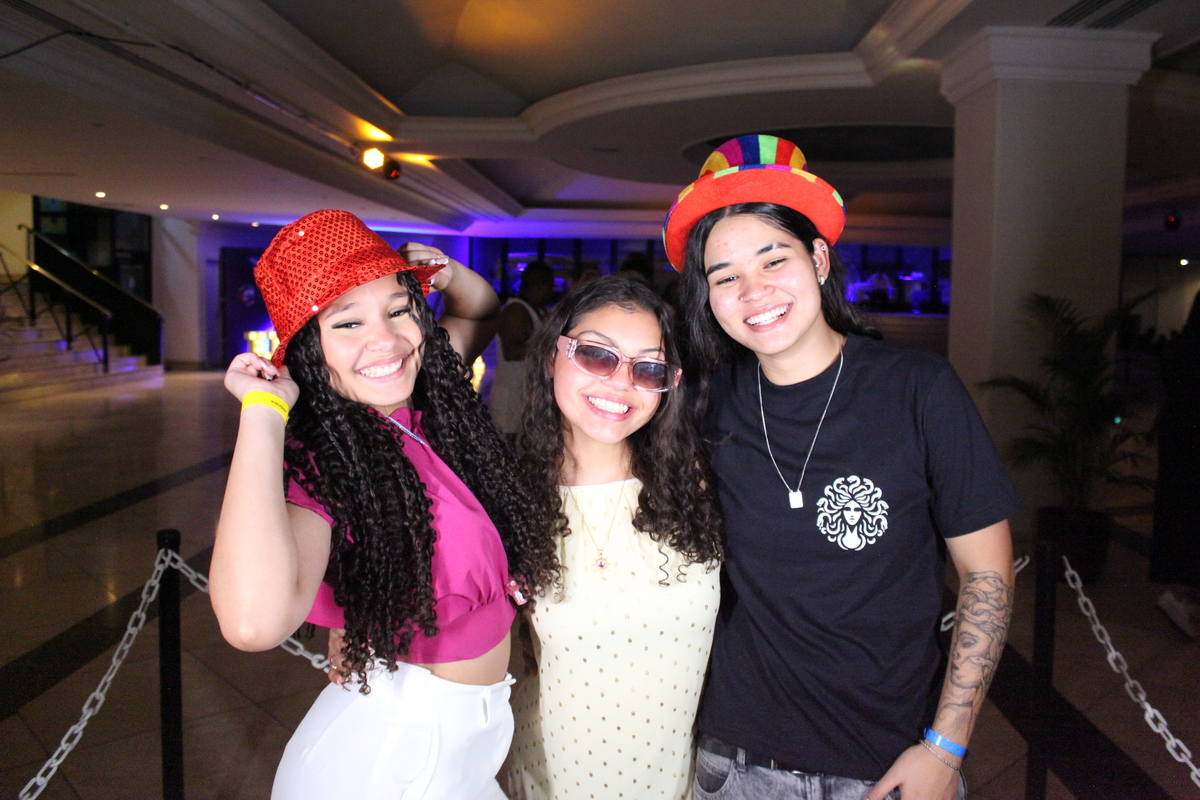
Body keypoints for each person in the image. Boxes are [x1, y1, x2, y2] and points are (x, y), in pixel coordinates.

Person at [665, 136, 1021, 800]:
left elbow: (987, 575)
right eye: (725, 277)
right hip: (734, 763)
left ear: (820, 259)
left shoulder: (917, 388)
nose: (754, 291)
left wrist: (946, 747)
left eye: (775, 259)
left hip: (888, 765)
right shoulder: (707, 403)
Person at [208, 210, 559, 800]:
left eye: (399, 310)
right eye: (348, 322)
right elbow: (252, 623)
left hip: (464, 748)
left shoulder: (424, 406)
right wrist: (265, 408)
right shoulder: (322, 463)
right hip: (391, 761)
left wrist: (444, 273)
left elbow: (481, 310)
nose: (386, 340)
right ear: (308, 349)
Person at [501, 276, 724, 800]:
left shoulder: (695, 480)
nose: (621, 382)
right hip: (552, 775)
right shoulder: (511, 496)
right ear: (553, 356)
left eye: (648, 369)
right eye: (597, 356)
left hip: (677, 781)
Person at [1150, 289, 1200, 638]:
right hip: (1189, 441)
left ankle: (1182, 592)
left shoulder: (1182, 348)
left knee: (1181, 515)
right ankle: (1183, 595)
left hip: (1180, 439)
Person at [491, 261, 556, 440]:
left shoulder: (536, 310)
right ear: (540, 285)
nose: (552, 290)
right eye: (551, 285)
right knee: (510, 447)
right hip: (511, 397)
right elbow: (511, 353)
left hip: (525, 396)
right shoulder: (516, 311)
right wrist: (550, 349)